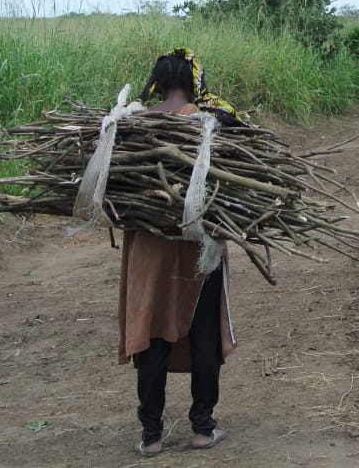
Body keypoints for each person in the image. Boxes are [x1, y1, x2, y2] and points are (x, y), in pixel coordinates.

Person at [122, 48, 244, 457]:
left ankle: (151, 436)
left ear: (156, 83)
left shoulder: (131, 124)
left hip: (150, 253)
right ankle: (202, 429)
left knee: (152, 334)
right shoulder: (211, 124)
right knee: (203, 335)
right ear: (194, 83)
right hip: (199, 249)